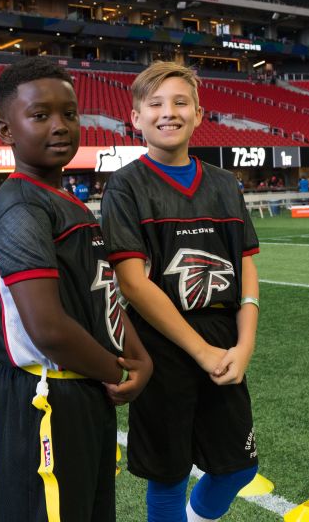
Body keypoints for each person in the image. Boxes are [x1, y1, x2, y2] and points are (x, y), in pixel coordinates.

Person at [0, 56, 151, 522]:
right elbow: (49, 328)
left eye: (69, 114)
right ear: (6, 131)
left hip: (84, 389)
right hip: (46, 395)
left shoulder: (66, 201)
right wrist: (118, 372)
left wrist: (140, 356)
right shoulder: (19, 208)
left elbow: (102, 295)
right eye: (40, 115)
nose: (60, 126)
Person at [100, 62, 262, 522]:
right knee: (168, 475)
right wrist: (201, 351)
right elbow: (132, 281)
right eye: (155, 104)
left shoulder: (223, 184)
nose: (168, 112)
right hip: (162, 341)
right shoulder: (126, 185)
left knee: (238, 468)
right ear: (136, 118)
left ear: (199, 114)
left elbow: (246, 267)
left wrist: (243, 345)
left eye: (180, 102)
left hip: (223, 334)